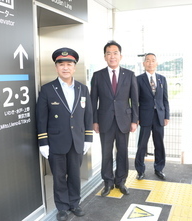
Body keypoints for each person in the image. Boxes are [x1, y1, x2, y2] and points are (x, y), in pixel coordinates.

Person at [36, 47, 93, 221]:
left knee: (75, 175)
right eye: (61, 64)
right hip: (56, 142)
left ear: (74, 67)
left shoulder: (83, 89)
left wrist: (88, 138)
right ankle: (62, 207)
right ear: (56, 67)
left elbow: (88, 114)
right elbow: (41, 118)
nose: (65, 67)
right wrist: (43, 142)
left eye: (69, 64)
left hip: (77, 141)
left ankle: (74, 203)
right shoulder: (47, 89)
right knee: (59, 177)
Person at [90, 40, 139, 197]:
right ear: (105, 57)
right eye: (109, 53)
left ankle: (121, 181)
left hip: (124, 120)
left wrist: (134, 120)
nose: (112, 56)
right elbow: (93, 100)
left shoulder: (130, 75)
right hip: (104, 121)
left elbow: (135, 100)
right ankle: (108, 182)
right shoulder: (97, 76)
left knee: (123, 152)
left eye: (115, 53)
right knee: (106, 153)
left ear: (120, 56)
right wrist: (94, 121)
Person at [135, 53, 170, 181]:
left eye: (153, 61)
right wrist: (136, 117)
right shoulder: (138, 79)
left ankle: (159, 168)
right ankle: (140, 170)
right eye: (147, 61)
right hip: (144, 116)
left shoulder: (162, 79)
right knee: (142, 145)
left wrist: (166, 115)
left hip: (159, 117)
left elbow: (165, 99)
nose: (150, 63)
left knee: (159, 143)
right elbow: (135, 101)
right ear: (144, 64)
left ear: (157, 63)